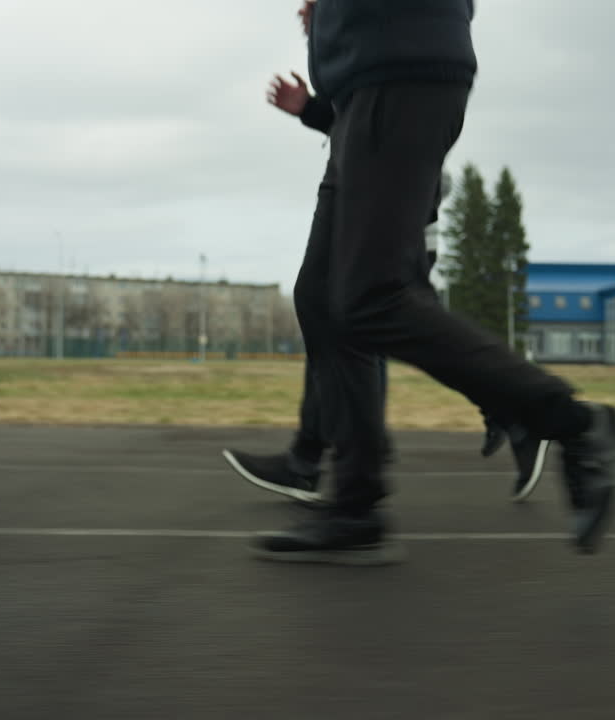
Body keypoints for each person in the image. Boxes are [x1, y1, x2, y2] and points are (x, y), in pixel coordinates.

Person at [251, 0, 615, 565]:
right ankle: (355, 507)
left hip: (400, 73)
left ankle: (580, 426)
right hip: (363, 90)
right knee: (321, 301)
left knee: (373, 298)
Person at [222, 69, 547, 507]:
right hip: (386, 212)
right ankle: (315, 458)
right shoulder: (364, 62)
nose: (304, 11)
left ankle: (523, 410)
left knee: (362, 327)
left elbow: (392, 138)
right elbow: (361, 129)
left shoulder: (385, 55)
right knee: (337, 324)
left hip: (397, 219)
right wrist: (313, 109)